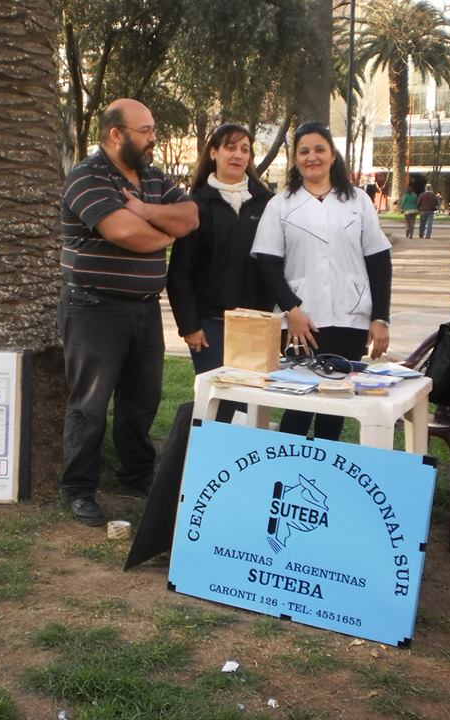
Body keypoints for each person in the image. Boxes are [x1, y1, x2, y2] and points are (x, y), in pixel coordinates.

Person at [58, 98, 199, 526]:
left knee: (142, 400)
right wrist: (162, 228)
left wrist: (143, 211)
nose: (154, 137)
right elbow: (127, 233)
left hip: (144, 309)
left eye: (153, 129)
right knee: (90, 404)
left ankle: (136, 475)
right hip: (93, 309)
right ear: (116, 134)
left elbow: (190, 217)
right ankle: (79, 488)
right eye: (146, 130)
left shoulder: (152, 176)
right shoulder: (87, 177)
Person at [250, 121, 392, 442]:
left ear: (332, 155)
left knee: (335, 405)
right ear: (295, 159)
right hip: (302, 321)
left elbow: (379, 261)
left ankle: (324, 468)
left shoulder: (358, 201)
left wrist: (380, 317)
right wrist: (292, 310)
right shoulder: (281, 205)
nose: (311, 157)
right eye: (303, 151)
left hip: (350, 318)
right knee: (298, 403)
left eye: (319, 149)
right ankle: (288, 465)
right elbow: (268, 265)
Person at [166, 123, 274, 422]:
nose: (238, 155)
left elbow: (276, 264)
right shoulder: (195, 206)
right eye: (230, 147)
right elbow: (180, 272)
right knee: (217, 405)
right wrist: (189, 326)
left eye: (245, 149)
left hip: (255, 324)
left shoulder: (267, 204)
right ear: (213, 153)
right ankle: (206, 452)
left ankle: (243, 454)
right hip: (209, 325)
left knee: (248, 408)